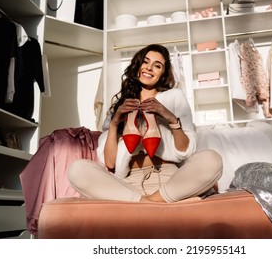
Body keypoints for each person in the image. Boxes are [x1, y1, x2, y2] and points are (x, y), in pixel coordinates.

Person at [68, 44, 222, 202]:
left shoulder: (174, 97)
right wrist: (114, 123)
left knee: (212, 159)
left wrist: (169, 117)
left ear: (162, 74)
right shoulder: (119, 107)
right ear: (137, 65)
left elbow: (185, 151)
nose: (149, 68)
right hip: (129, 184)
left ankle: (146, 204)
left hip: (169, 180)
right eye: (145, 62)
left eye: (157, 66)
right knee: (77, 169)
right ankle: (156, 204)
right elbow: (110, 162)